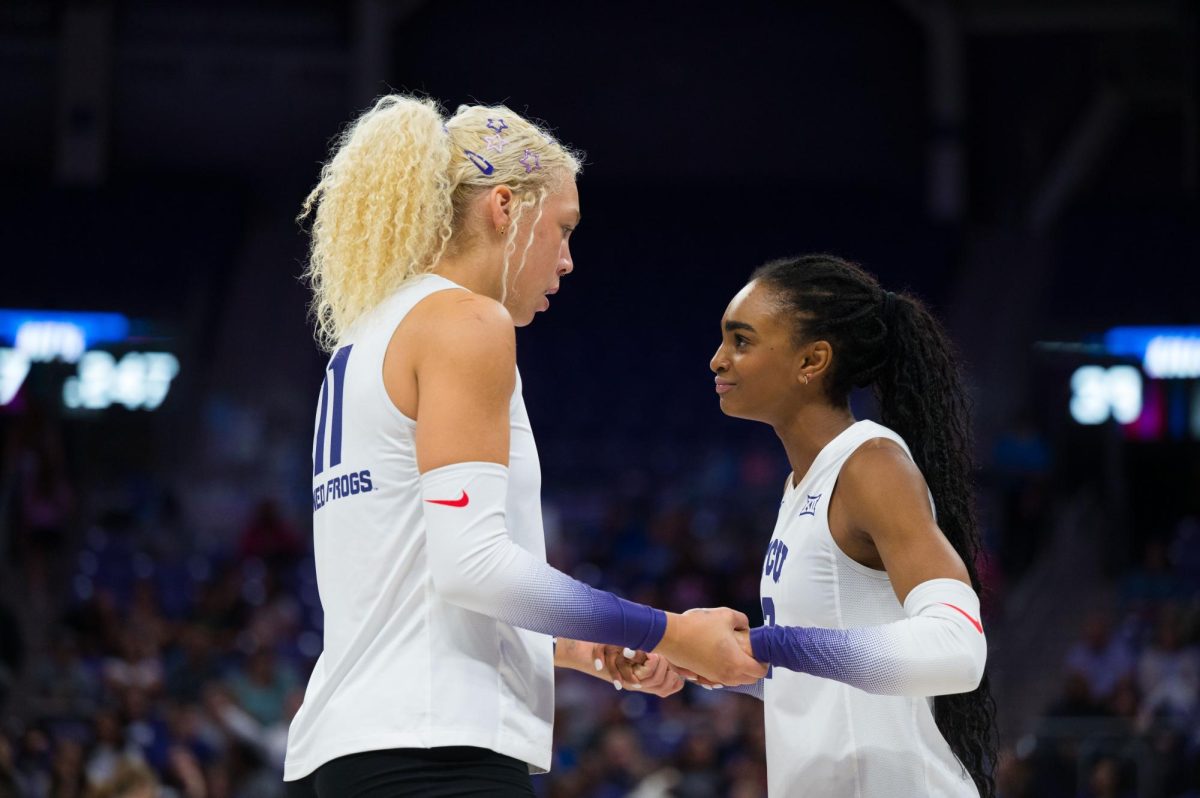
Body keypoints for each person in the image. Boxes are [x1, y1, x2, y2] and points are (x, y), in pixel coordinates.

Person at [283, 95, 764, 797]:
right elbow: (472, 565)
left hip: (355, 747)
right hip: (436, 755)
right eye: (563, 229)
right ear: (504, 207)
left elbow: (420, 588)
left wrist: (585, 649)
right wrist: (669, 633)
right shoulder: (466, 322)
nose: (566, 261)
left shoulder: (365, 339)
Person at [707, 254, 997, 797]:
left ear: (812, 360)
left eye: (741, 341)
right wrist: (705, 658)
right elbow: (827, 684)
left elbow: (959, 648)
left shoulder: (871, 465)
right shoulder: (801, 484)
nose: (717, 360)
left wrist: (769, 646)